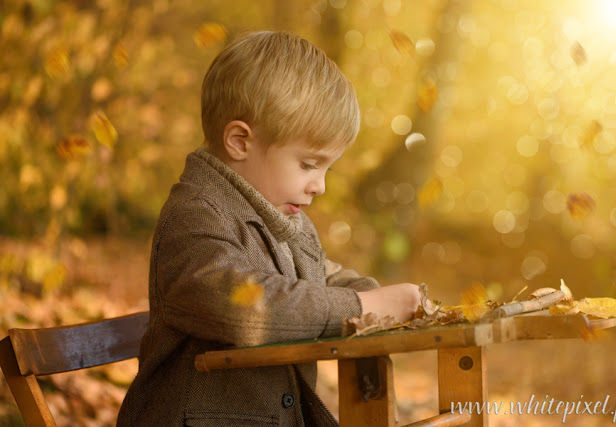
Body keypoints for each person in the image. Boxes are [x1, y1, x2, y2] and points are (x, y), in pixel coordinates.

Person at [117, 30, 420, 426]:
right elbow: (240, 304)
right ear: (240, 142)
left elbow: (317, 277)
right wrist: (361, 308)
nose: (320, 185)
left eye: (329, 168)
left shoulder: (284, 217)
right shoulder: (195, 215)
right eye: (310, 165)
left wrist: (373, 294)